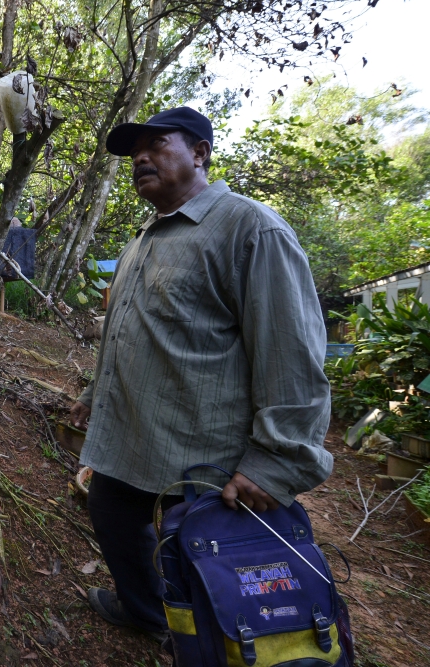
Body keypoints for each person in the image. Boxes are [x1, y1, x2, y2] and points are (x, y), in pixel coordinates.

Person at [69, 107, 332, 641]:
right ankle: (149, 616)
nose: (140, 157)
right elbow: (127, 328)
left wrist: (274, 463)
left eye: (156, 144)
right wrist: (96, 393)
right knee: (112, 514)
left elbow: (292, 355)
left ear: (200, 153)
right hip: (134, 440)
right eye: (134, 151)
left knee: (213, 563)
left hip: (207, 456)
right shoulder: (141, 241)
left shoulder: (250, 229)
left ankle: (215, 641)